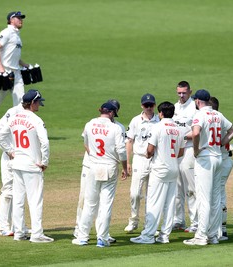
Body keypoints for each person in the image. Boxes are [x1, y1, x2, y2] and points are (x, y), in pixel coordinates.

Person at [0, 89, 53, 243]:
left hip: (17, 163)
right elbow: (45, 142)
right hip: (32, 165)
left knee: (19, 199)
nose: (39, 106)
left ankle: (20, 232)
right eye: (38, 103)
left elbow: (0, 133)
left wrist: (9, 150)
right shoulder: (36, 119)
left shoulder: (13, 118)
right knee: (35, 200)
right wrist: (45, 161)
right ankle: (37, 234)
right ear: (32, 103)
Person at [183, 89, 233, 246]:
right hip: (218, 157)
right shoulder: (217, 115)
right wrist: (220, 143)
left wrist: (196, 149)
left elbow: (196, 132)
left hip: (205, 159)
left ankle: (201, 236)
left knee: (204, 199)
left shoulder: (199, 115)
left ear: (198, 101)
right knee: (215, 198)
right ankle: (213, 235)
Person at [72, 102, 128, 247]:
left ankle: (83, 237)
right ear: (112, 113)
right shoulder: (115, 128)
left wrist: (94, 156)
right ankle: (102, 239)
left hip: (93, 166)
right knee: (105, 204)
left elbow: (86, 143)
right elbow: (121, 150)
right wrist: (125, 168)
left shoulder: (90, 124)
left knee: (90, 204)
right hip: (109, 167)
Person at [130, 102, 184, 244]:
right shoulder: (179, 128)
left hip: (159, 169)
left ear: (160, 113)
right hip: (174, 169)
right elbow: (181, 151)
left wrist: (149, 155)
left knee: (154, 203)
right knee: (169, 203)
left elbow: (150, 150)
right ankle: (164, 236)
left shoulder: (158, 127)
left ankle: (148, 236)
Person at [124, 93, 160, 233]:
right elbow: (129, 141)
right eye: (146, 105)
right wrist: (128, 162)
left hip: (155, 159)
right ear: (142, 106)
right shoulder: (135, 121)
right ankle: (133, 220)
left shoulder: (159, 121)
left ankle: (149, 224)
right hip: (139, 158)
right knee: (135, 193)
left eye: (151, 105)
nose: (149, 108)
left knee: (152, 193)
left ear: (155, 105)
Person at [0, 102, 24, 237]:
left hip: (24, 157)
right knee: (8, 190)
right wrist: (9, 151)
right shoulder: (13, 112)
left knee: (21, 190)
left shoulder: (31, 116)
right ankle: (4, 227)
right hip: (10, 157)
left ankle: (18, 225)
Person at [172, 81, 198, 233]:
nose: (181, 96)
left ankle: (195, 222)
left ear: (190, 92)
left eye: (184, 93)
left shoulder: (194, 108)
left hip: (188, 150)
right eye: (179, 93)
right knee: (177, 188)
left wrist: (181, 137)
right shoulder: (175, 108)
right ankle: (178, 220)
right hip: (176, 151)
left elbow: (196, 131)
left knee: (191, 188)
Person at [209, 96, 233, 241]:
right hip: (225, 161)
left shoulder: (215, 121)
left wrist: (219, 145)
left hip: (222, 161)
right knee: (219, 195)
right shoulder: (221, 120)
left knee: (217, 196)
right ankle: (222, 230)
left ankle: (219, 231)